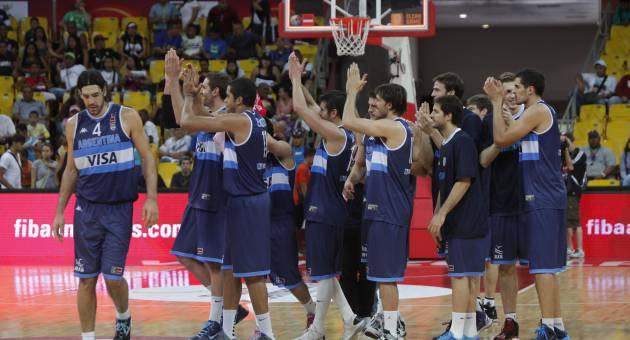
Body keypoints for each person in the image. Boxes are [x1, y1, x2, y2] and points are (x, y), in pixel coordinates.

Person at [52, 70, 159, 340]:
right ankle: (88, 337)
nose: (91, 100)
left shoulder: (127, 116)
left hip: (119, 209)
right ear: (79, 95)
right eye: (85, 96)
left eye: (95, 95)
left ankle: (123, 314)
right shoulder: (74, 124)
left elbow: (147, 159)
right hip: (86, 209)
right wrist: (59, 212)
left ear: (105, 90)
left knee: (112, 278)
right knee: (86, 279)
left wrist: (152, 198)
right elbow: (71, 171)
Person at [180, 67, 283, 340]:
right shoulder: (250, 120)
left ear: (238, 100)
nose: (225, 100)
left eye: (228, 96)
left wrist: (190, 95)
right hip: (237, 203)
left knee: (254, 274)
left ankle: (267, 334)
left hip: (249, 203)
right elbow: (203, 117)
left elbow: (190, 122)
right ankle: (226, 331)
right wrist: (191, 97)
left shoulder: (240, 121)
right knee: (229, 270)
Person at [164, 52, 249, 338]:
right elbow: (179, 117)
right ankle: (228, 306)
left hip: (217, 197)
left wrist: (185, 93)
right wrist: (171, 81)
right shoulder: (202, 113)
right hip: (197, 195)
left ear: (215, 91)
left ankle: (217, 320)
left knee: (216, 264)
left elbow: (188, 119)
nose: (199, 88)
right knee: (183, 254)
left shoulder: (228, 118)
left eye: (203, 86)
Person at [484, 69, 570, 339]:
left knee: (543, 268)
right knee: (547, 269)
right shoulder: (531, 114)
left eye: (518, 87)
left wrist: (496, 102)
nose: (514, 92)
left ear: (530, 90)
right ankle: (556, 327)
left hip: (543, 196)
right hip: (544, 195)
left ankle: (550, 327)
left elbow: (500, 140)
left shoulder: (537, 111)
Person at [288, 54, 365, 340]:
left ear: (333, 114)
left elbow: (299, 107)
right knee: (328, 272)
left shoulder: (335, 136)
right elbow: (308, 105)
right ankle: (350, 318)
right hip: (331, 211)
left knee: (322, 274)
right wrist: (304, 84)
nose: (317, 111)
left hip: (325, 211)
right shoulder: (341, 133)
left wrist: (294, 78)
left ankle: (318, 329)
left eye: (322, 109)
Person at [341, 64, 417, 339]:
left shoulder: (393, 128)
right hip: (375, 210)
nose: (371, 106)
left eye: (376, 103)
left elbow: (348, 121)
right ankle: (390, 324)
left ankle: (391, 329)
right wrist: (352, 179)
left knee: (385, 277)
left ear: (391, 105)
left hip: (389, 211)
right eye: (369, 103)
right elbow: (363, 165)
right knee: (380, 275)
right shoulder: (379, 133)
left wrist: (351, 93)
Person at [426, 95, 488, 340]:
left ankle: (456, 331)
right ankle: (470, 332)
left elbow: (464, 181)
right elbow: (444, 185)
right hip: (459, 222)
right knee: (469, 276)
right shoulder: (448, 145)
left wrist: (441, 214)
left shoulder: (462, 142)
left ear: (448, 115)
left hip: (467, 220)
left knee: (461, 276)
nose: (432, 115)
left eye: (436, 112)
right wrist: (438, 216)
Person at [478, 72, 527, 340]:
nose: (509, 96)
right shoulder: (488, 123)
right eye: (505, 91)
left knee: (543, 269)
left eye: (513, 91)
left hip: (531, 202)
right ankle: (511, 322)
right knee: (506, 266)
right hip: (500, 203)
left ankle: (551, 322)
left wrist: (514, 130)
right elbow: (484, 160)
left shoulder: (533, 117)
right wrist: (502, 136)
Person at [263, 120, 317, 329]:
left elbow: (276, 145)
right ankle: (262, 326)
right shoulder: (251, 160)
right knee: (255, 277)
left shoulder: (283, 152)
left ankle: (312, 310)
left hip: (281, 222)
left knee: (288, 275)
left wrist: (253, 126)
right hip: (257, 223)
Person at [563, 132, 586, 259]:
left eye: (566, 142)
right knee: (567, 222)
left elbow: (571, 166)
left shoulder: (580, 154)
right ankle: (570, 248)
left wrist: (566, 145)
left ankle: (579, 249)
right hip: (565, 191)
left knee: (575, 222)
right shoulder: (564, 153)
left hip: (573, 191)